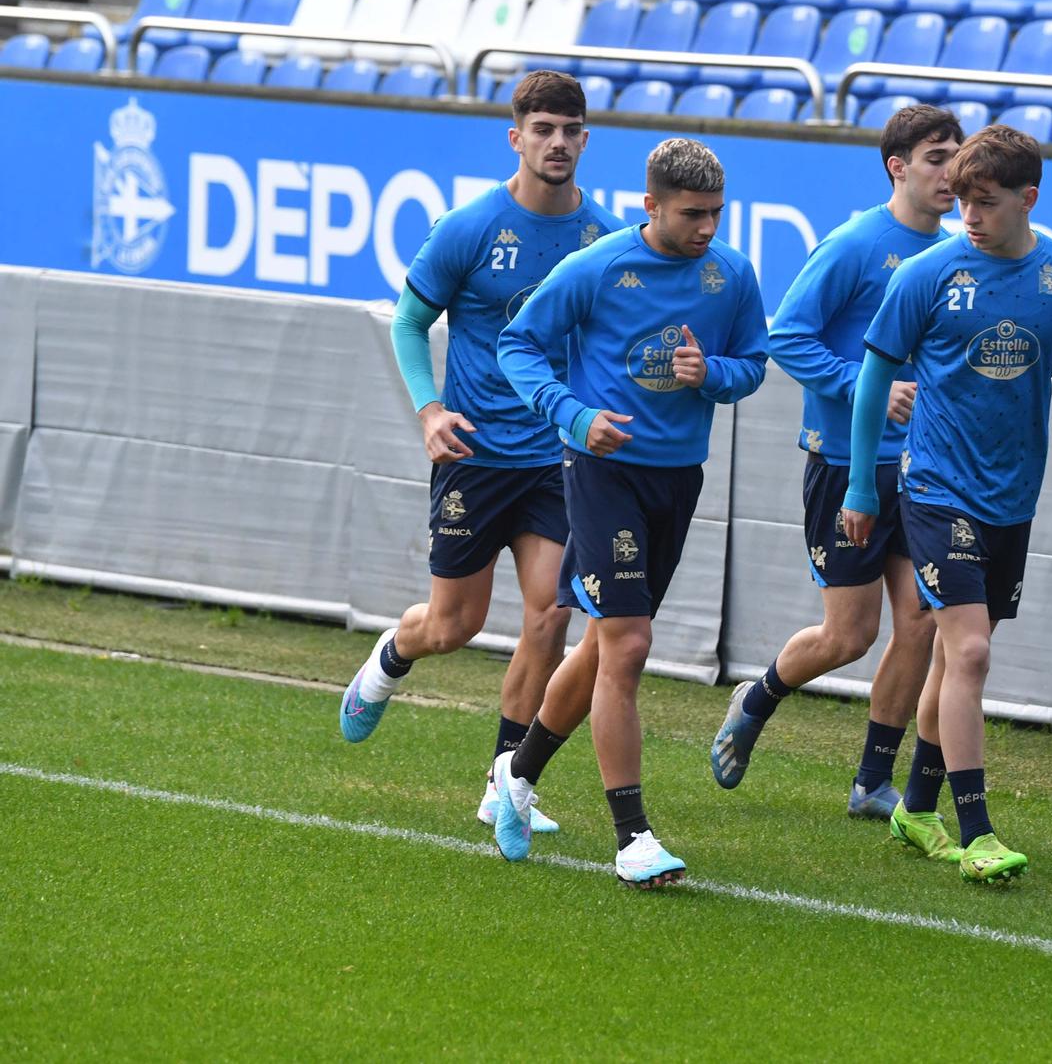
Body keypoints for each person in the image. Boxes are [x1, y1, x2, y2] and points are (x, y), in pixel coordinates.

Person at [840, 125, 1052, 884]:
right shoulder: (928, 273)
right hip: (936, 485)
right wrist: (857, 486)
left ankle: (916, 805)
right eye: (962, 202)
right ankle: (977, 830)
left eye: (984, 203)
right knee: (971, 648)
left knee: (958, 656)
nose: (968, 216)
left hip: (1012, 494)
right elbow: (874, 379)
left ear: (1028, 200)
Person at [339, 70, 618, 841]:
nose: (557, 143)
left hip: (554, 455)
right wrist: (429, 410)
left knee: (552, 610)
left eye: (570, 131)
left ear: (586, 140)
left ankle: (506, 780)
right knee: (452, 624)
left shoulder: (601, 236)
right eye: (543, 130)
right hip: (474, 451)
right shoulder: (470, 226)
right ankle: (394, 653)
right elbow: (407, 320)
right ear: (517, 138)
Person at [489, 138, 769, 887]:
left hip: (678, 479)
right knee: (630, 642)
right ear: (650, 205)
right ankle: (631, 836)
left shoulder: (731, 274)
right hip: (602, 471)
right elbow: (518, 346)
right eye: (691, 214)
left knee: (602, 648)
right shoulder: (599, 267)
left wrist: (712, 373)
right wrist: (574, 417)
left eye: (716, 212)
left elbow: (754, 363)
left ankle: (515, 778)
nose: (707, 227)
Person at [709, 106, 963, 818]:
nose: (953, 171)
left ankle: (871, 781)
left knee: (921, 622)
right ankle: (757, 697)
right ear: (898, 166)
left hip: (922, 469)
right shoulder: (856, 243)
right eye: (938, 156)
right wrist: (866, 389)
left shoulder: (950, 254)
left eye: (957, 156)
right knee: (849, 635)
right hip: (845, 461)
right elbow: (785, 335)